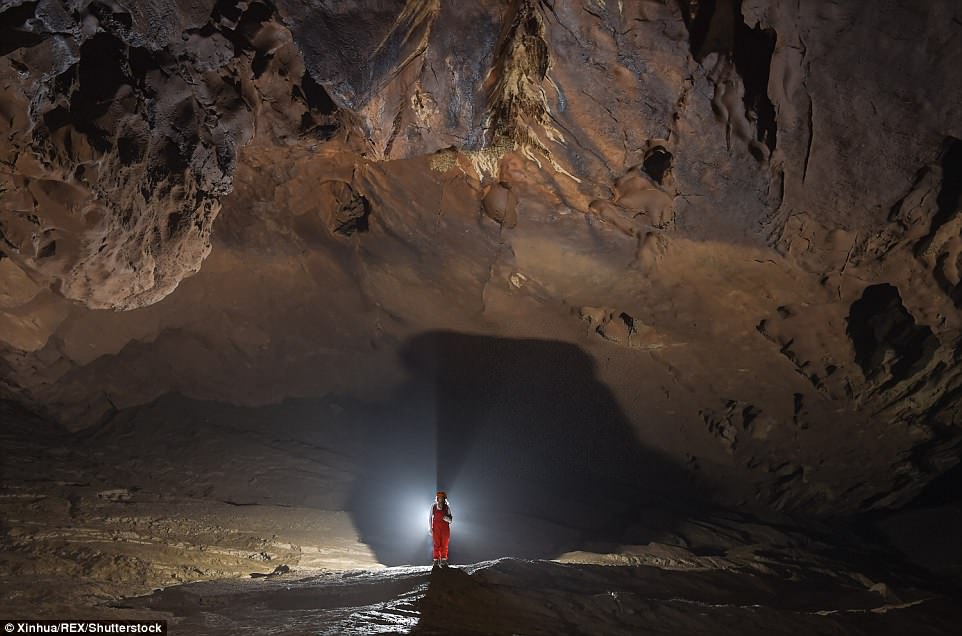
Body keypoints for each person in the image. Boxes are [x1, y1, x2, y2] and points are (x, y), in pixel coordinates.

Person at [429, 490, 453, 567]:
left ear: (444, 499)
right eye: (439, 498)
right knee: (436, 544)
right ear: (437, 498)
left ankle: (443, 560)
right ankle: (436, 560)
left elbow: (450, 519)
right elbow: (430, 517)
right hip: (436, 528)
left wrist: (447, 519)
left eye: (442, 498)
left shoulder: (447, 507)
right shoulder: (433, 507)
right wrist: (430, 528)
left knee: (445, 544)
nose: (440, 499)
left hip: (445, 529)